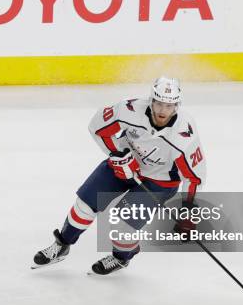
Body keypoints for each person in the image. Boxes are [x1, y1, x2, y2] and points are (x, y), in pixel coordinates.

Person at [33, 76, 206, 274]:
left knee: (124, 226)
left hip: (160, 182)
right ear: (151, 100)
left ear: (177, 105)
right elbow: (97, 128)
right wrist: (117, 153)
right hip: (123, 164)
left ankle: (121, 258)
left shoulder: (184, 136)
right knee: (85, 204)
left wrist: (188, 214)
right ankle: (62, 244)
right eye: (158, 103)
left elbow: (194, 177)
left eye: (169, 105)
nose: (162, 111)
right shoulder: (129, 110)